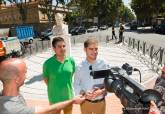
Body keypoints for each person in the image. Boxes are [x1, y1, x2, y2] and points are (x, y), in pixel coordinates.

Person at [0, 58, 85, 114]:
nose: (26, 76)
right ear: (17, 79)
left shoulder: (7, 94)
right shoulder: (13, 110)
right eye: (25, 72)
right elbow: (49, 109)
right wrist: (72, 100)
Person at [74, 38, 109, 114]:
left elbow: (109, 82)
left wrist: (102, 91)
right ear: (85, 49)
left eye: (96, 49)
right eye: (91, 49)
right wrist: (84, 93)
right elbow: (76, 84)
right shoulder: (79, 67)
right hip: (85, 103)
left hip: (100, 103)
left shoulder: (104, 64)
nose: (95, 52)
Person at [43, 37, 76, 114]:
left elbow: (71, 75)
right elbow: (46, 80)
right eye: (59, 46)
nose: (62, 48)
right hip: (54, 99)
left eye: (64, 46)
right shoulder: (47, 64)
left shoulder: (71, 61)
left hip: (68, 97)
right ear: (54, 48)